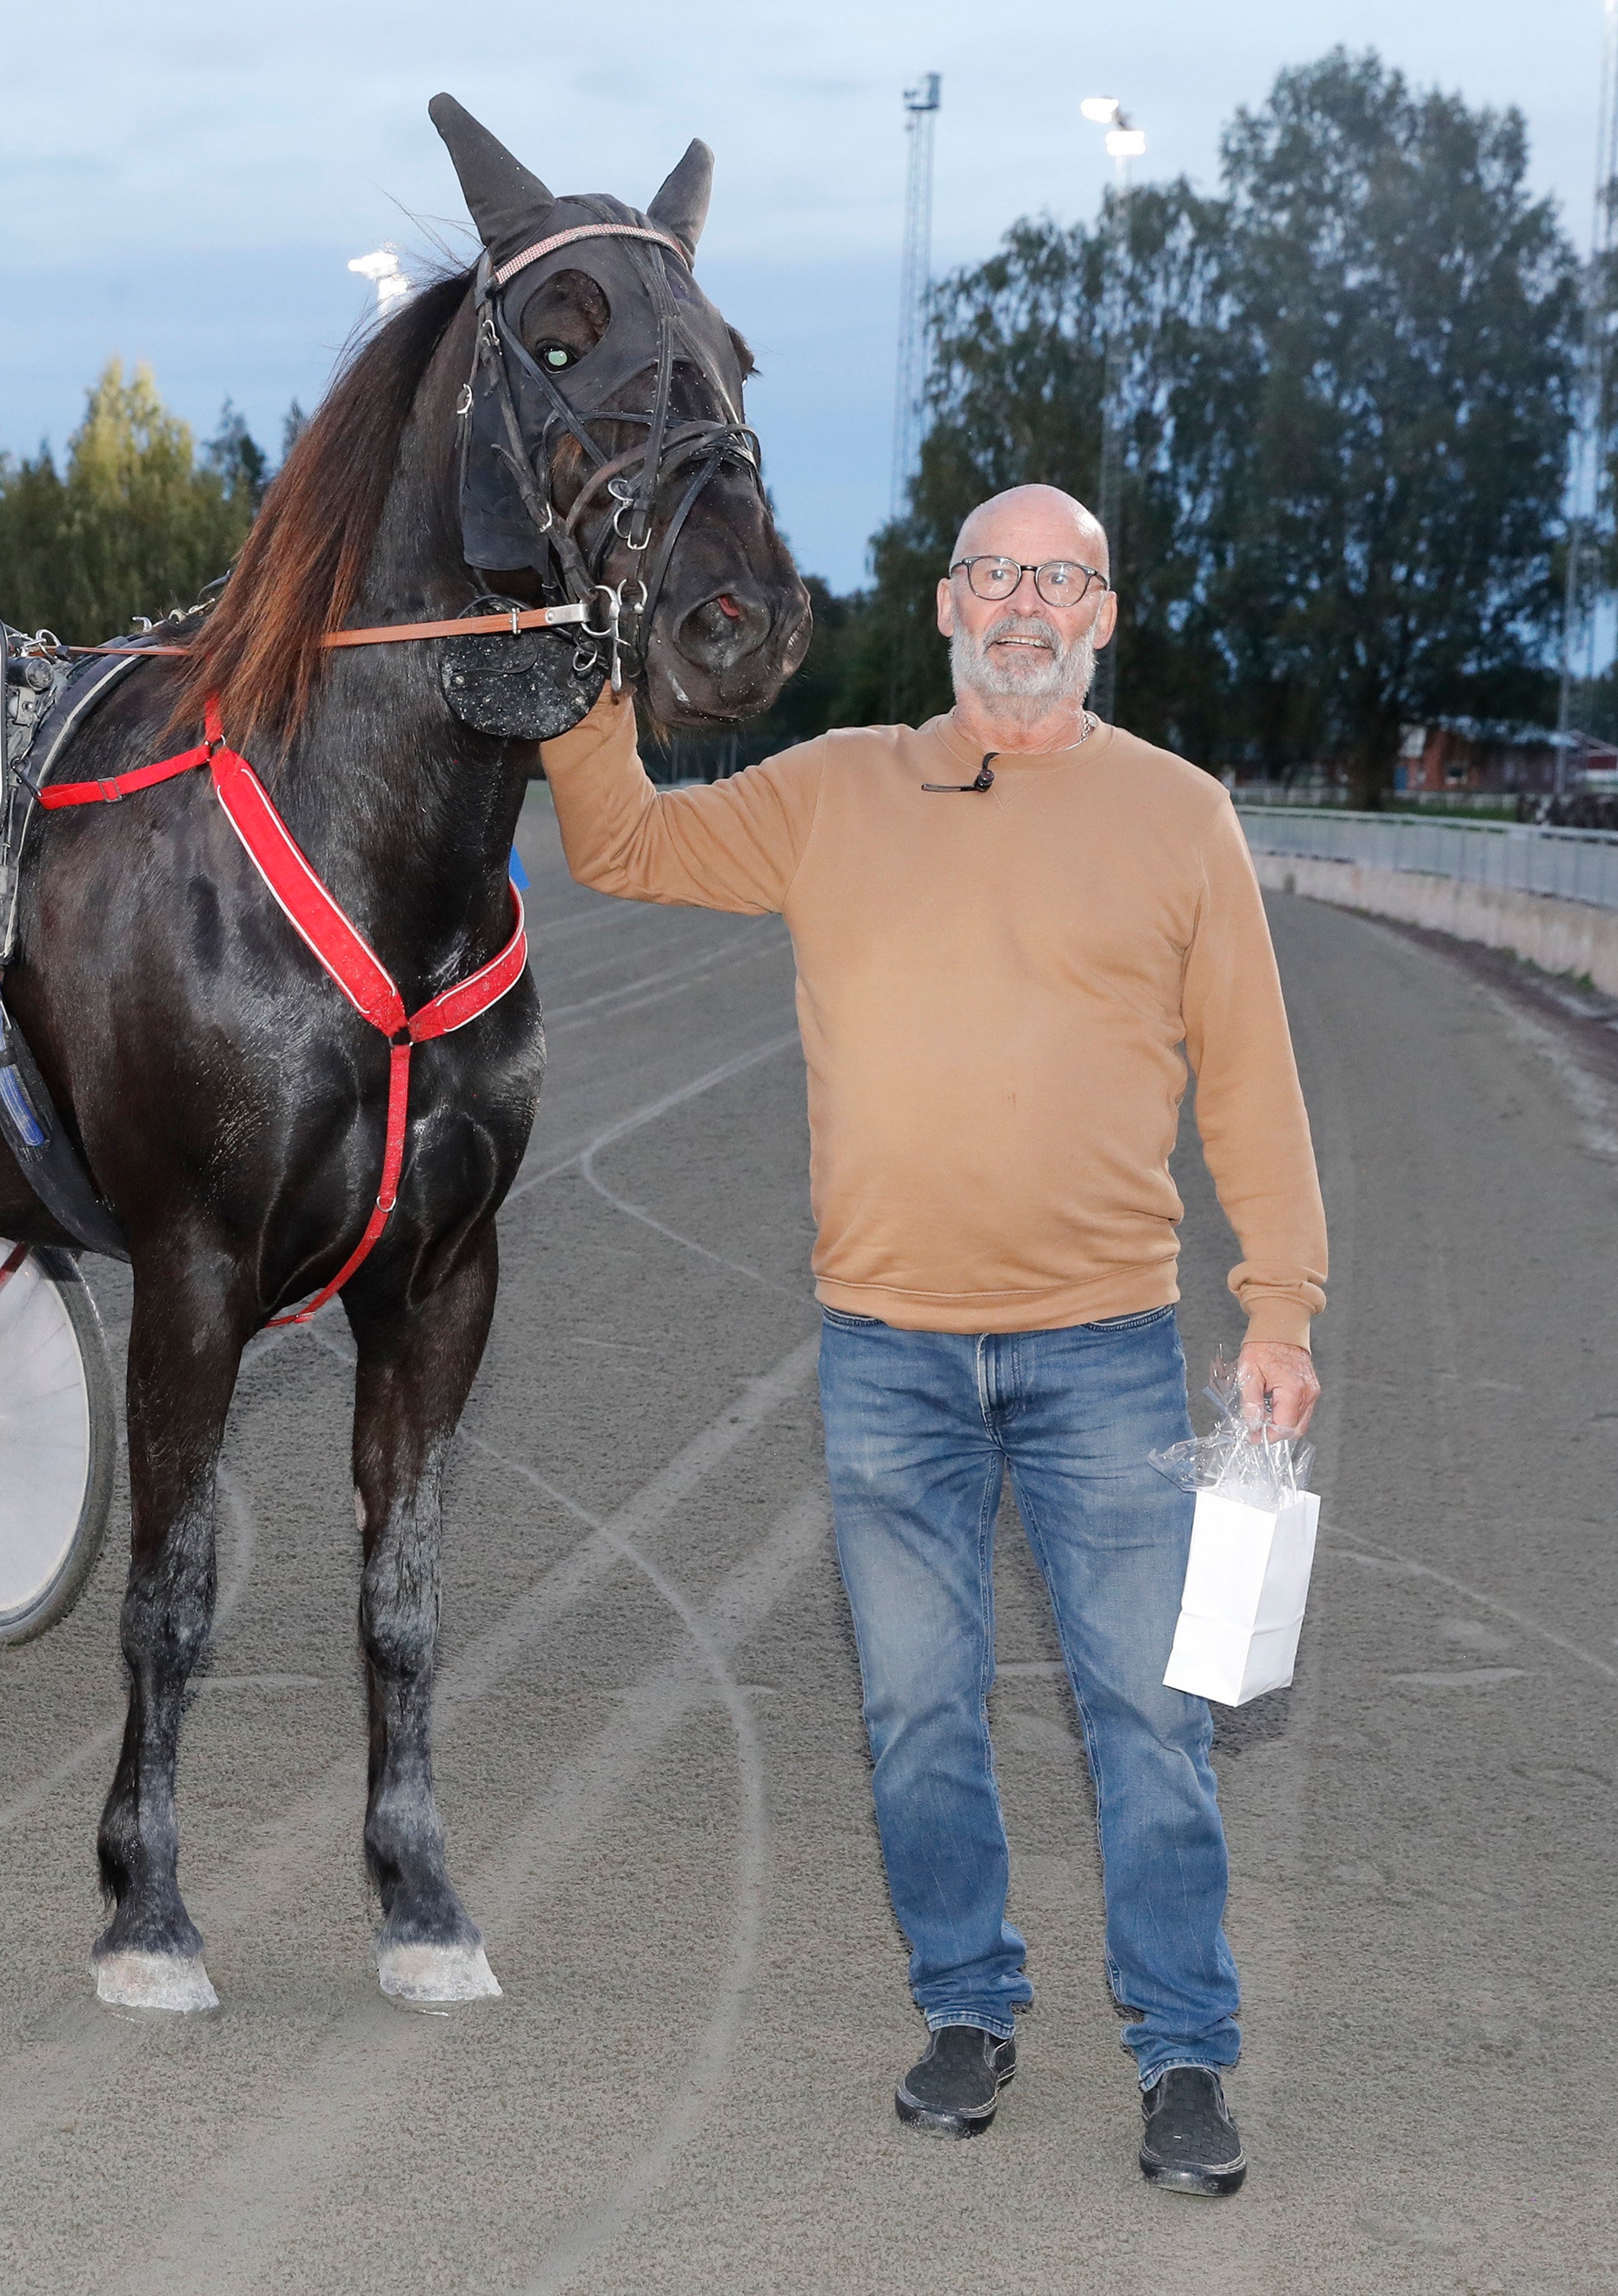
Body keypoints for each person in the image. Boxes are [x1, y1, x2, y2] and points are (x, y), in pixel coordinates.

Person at [539, 483, 1327, 2197]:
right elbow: (628, 844)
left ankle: (1185, 2049)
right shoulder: (836, 791)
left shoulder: (1180, 818)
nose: (1024, 603)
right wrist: (591, 674)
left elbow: (1254, 1079)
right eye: (994, 574)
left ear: (1101, 619)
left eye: (1059, 578)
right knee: (913, 1713)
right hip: (888, 1355)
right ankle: (967, 2005)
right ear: (947, 609)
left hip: (1103, 1355)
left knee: (1151, 1715)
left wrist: (1281, 1304)